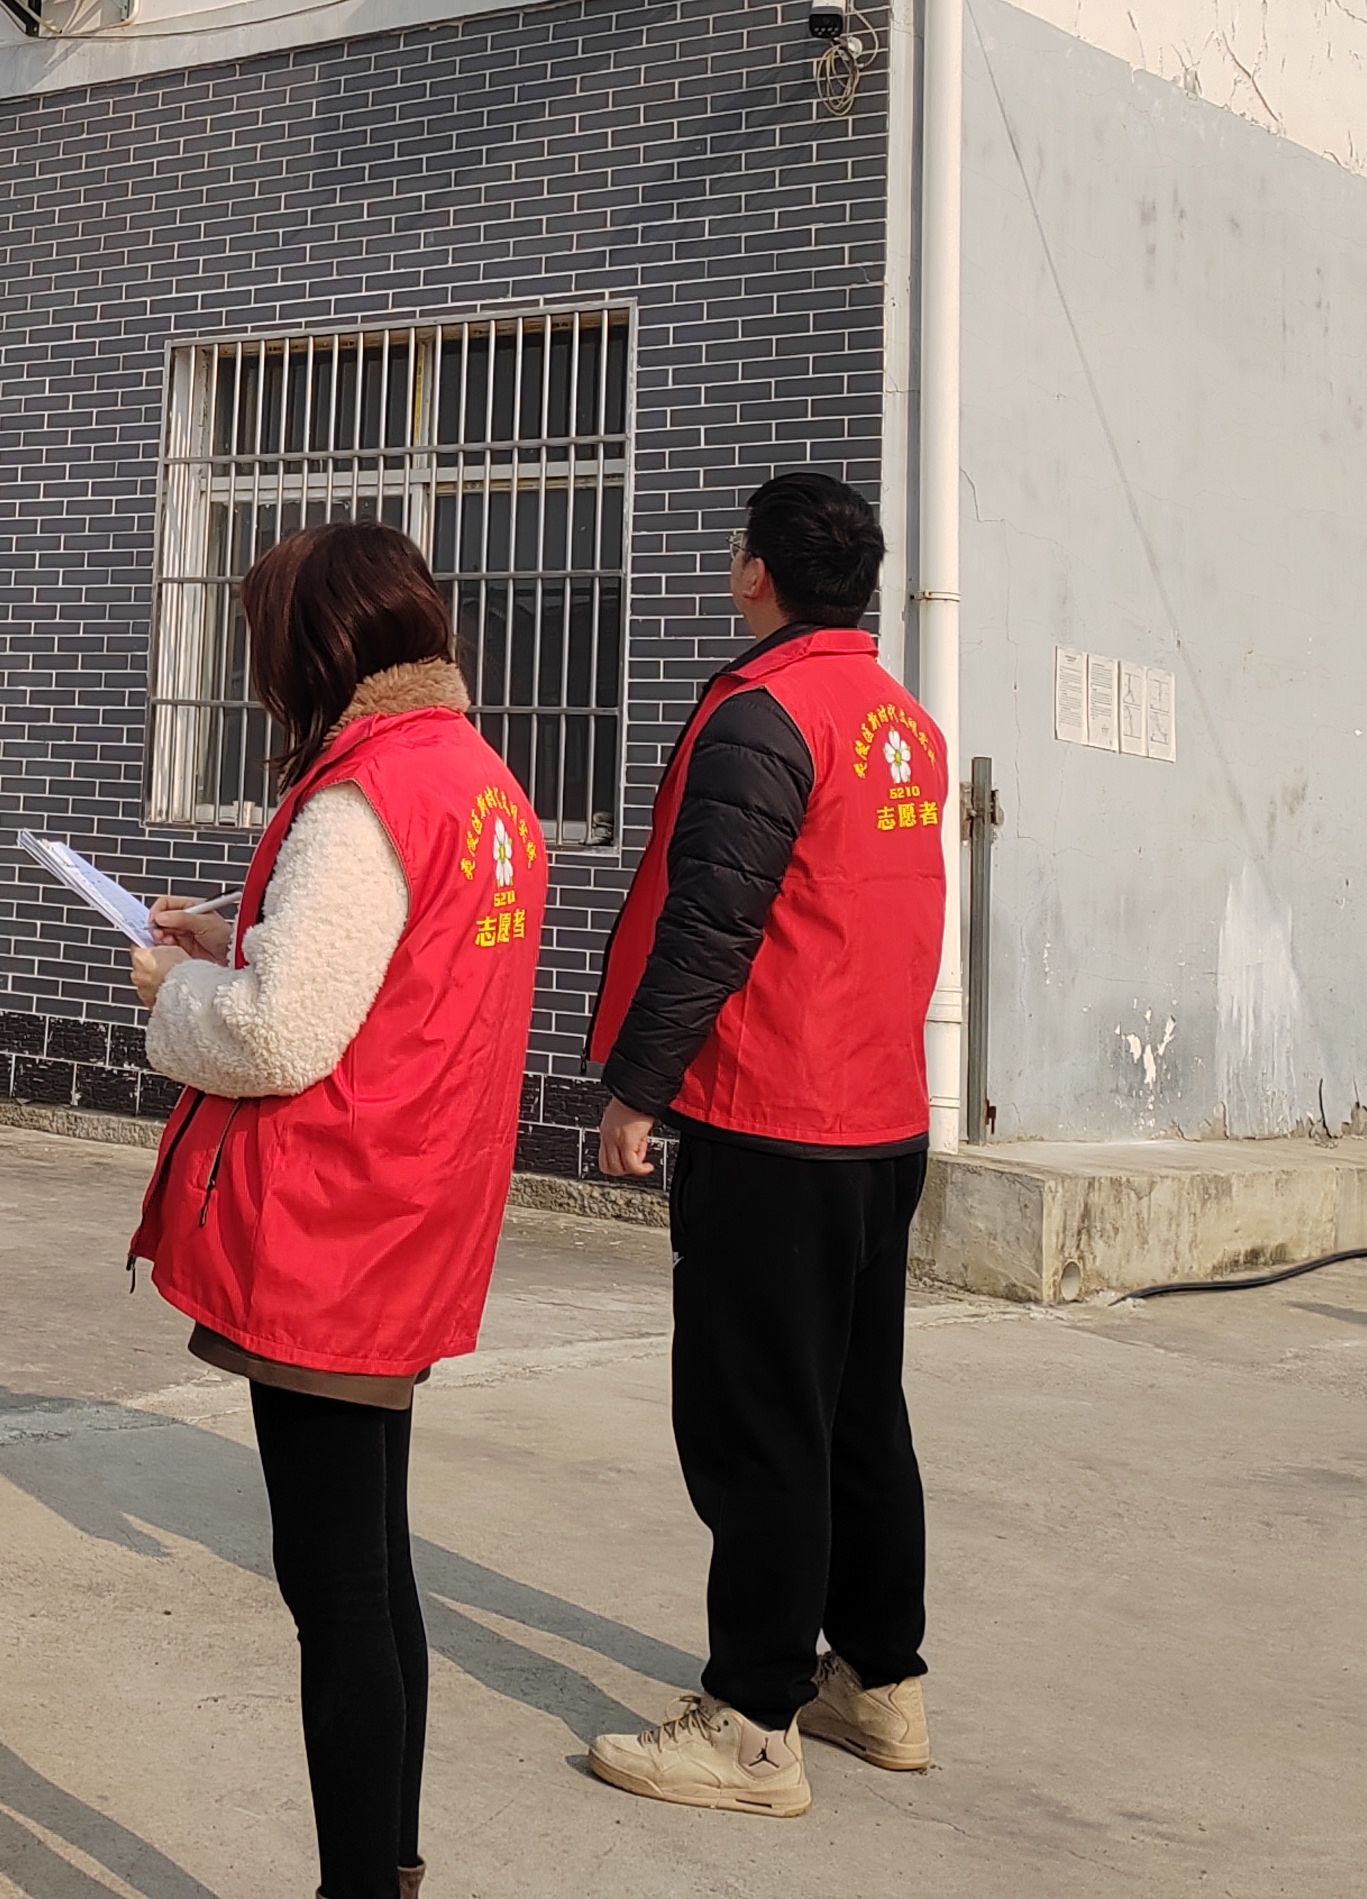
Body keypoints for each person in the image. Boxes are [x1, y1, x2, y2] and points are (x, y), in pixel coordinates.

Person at [124, 520, 550, 1899]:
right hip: (412, 1213)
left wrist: (177, 991)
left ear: (315, 647)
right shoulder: (474, 777)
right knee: (376, 1570)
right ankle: (392, 1865)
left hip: (331, 1229)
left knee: (338, 1595)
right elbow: (389, 968)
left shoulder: (361, 798)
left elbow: (275, 1035)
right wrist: (232, 936)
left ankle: (359, 1886)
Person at [577, 470, 948, 1822]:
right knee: (855, 1410)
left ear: (757, 574)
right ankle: (879, 1681)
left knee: (758, 1426)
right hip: (879, 1121)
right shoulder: (903, 723)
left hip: (777, 1121)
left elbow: (711, 926)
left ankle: (750, 1723)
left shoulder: (766, 715)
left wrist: (637, 1089)